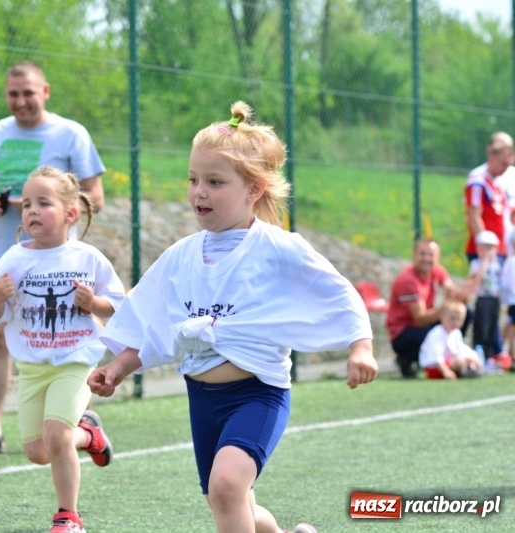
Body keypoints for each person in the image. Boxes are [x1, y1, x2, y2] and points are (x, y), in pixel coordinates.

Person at [87, 102, 377, 533]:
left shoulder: (276, 247)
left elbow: (336, 291)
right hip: (202, 400)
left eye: (215, 182)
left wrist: (361, 346)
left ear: (254, 189)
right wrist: (117, 366)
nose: (199, 191)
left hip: (257, 394)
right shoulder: (180, 256)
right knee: (228, 501)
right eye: (193, 180)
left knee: (226, 487)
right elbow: (151, 322)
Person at [0, 167, 124, 533]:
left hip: (75, 363)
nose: (32, 211)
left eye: (43, 203)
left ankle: (68, 517)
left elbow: (120, 307)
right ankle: (89, 436)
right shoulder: (14, 259)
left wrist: (95, 303)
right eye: (26, 204)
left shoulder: (88, 258)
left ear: (71, 214)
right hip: (33, 369)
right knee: (39, 452)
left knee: (56, 436)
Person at [0, 60, 106, 456]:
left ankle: (75, 421)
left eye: (28, 93)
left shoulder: (70, 134)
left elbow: (96, 196)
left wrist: (49, 205)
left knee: (66, 335)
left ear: (45, 91)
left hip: (61, 262)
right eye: (13, 94)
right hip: (7, 256)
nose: (21, 101)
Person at [385, 238, 470, 378]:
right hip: (404, 332)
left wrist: (462, 294)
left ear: (437, 257)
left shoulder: (437, 271)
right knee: (437, 333)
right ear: (414, 255)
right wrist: (444, 309)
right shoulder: (407, 280)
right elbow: (420, 318)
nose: (426, 258)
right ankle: (411, 359)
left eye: (430, 255)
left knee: (463, 314)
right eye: (422, 254)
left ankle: (453, 358)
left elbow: (452, 291)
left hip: (424, 324)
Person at [465, 131, 513, 262]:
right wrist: (486, 247)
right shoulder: (478, 182)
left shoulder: (498, 183)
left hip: (501, 248)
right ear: (492, 157)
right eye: (503, 164)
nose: (505, 169)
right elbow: (474, 217)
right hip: (486, 251)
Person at [418, 300, 482, 379]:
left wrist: (472, 357)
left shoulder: (456, 332)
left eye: (458, 319)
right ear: (442, 317)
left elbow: (461, 348)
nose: (455, 322)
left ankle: (470, 369)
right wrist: (446, 372)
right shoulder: (437, 333)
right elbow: (435, 357)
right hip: (434, 368)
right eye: (452, 318)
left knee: (472, 355)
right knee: (459, 362)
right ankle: (464, 371)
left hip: (448, 363)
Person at [467, 230, 505, 364]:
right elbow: (475, 280)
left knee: (492, 327)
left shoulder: (497, 265)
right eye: (482, 248)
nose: (486, 251)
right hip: (483, 299)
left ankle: (490, 356)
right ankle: (479, 354)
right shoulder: (476, 264)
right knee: (481, 327)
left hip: (494, 300)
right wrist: (484, 263)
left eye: (489, 248)